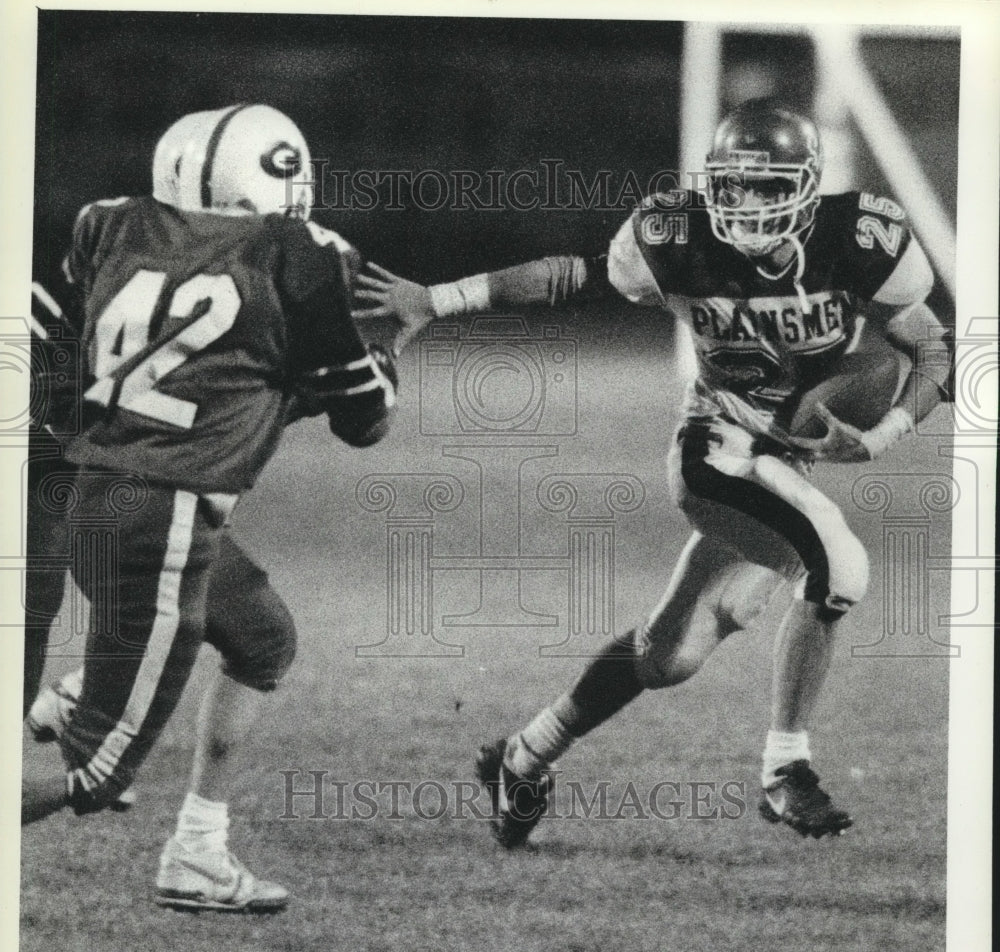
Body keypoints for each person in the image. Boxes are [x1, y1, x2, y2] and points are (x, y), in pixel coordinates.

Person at [352, 100, 951, 846]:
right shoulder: (675, 234)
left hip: (781, 462)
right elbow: (571, 277)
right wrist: (436, 300)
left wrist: (883, 432)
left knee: (669, 657)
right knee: (837, 567)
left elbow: (931, 349)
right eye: (737, 186)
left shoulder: (860, 239)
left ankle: (523, 755)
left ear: (806, 187)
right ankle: (784, 769)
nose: (751, 204)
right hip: (716, 450)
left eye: (771, 188)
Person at [21, 105, 398, 913]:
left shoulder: (112, 227)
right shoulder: (295, 255)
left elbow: (190, 367)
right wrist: (383, 355)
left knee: (262, 637)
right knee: (96, 772)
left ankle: (197, 851)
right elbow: (365, 422)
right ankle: (78, 715)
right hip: (163, 518)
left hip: (101, 495)